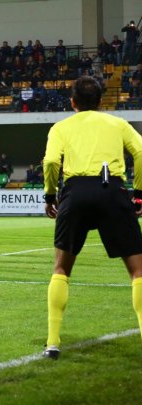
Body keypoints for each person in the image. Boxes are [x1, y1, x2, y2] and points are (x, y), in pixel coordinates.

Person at [41, 76, 142, 360]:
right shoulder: (118, 124)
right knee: (138, 271)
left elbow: (50, 162)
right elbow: (141, 151)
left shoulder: (61, 127)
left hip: (76, 193)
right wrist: (139, 193)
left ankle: (52, 342)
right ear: (101, 102)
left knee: (61, 269)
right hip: (113, 190)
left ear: (72, 102)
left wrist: (50, 196)